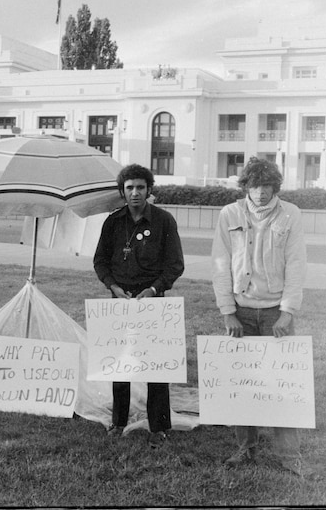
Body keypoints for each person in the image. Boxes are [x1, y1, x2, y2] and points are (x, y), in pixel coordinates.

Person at [211, 157, 317, 479]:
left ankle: (290, 456)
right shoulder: (229, 214)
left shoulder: (291, 214)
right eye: (254, 185)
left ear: (275, 187)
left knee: (283, 386)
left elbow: (296, 264)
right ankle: (246, 450)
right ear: (246, 186)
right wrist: (228, 311)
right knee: (244, 386)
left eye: (267, 185)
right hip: (241, 310)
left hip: (275, 313)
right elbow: (219, 264)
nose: (260, 192)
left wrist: (288, 312)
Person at [93, 163, 185, 448]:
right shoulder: (113, 222)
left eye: (140, 187)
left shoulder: (164, 221)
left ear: (149, 190)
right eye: (129, 187)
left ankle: (158, 426)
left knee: (156, 367)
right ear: (122, 191)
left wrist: (154, 289)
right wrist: (113, 286)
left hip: (152, 303)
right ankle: (118, 421)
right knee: (120, 365)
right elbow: (100, 261)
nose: (135, 193)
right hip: (120, 302)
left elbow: (175, 265)